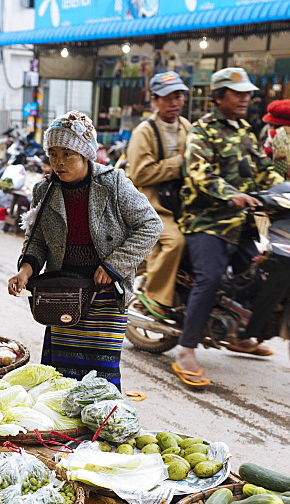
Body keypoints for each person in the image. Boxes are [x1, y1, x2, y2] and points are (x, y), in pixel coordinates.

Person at [7, 111, 162, 388]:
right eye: (53, 154)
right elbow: (37, 239)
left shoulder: (113, 184)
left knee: (101, 376)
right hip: (63, 293)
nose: (58, 162)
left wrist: (115, 265)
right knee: (61, 378)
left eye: (68, 153)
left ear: (85, 153)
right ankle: (62, 429)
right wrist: (25, 271)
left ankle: (102, 426)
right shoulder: (45, 189)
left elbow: (150, 225)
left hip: (105, 295)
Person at [174, 68, 284, 388]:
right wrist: (230, 194)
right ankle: (186, 349)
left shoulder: (246, 131)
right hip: (206, 219)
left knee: (266, 266)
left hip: (246, 219)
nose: (245, 98)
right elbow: (199, 173)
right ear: (219, 96)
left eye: (248, 93)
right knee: (210, 277)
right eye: (237, 93)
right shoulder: (202, 131)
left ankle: (239, 334)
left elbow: (265, 172)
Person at [125, 71, 192, 319]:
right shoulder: (145, 132)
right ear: (155, 100)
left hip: (182, 204)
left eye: (178, 96)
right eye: (167, 97)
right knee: (175, 242)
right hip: (152, 205)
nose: (174, 102)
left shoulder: (187, 127)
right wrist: (180, 163)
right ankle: (152, 300)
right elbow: (141, 174)